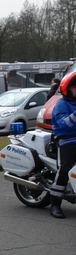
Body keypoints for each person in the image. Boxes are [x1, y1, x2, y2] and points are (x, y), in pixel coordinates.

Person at [49, 72, 76, 218]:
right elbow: (64, 124)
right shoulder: (61, 104)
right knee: (64, 169)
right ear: (69, 88)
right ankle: (55, 204)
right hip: (67, 141)